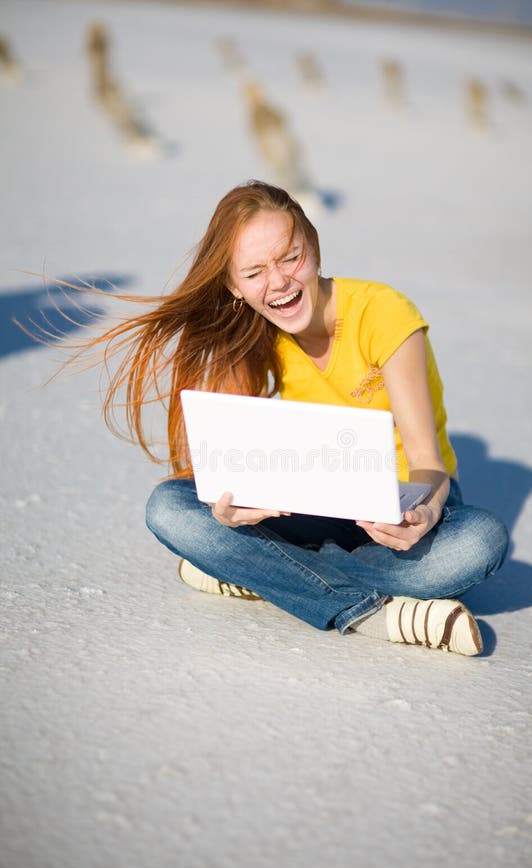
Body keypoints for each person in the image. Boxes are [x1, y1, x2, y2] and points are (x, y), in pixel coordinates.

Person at [76, 180, 509, 656]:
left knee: (479, 543)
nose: (278, 282)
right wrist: (230, 508)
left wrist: (424, 514)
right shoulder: (255, 334)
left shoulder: (383, 311)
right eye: (255, 271)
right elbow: (234, 461)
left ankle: (261, 575)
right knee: (169, 507)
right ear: (233, 286)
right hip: (318, 498)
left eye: (290, 258)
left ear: (314, 249)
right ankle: (370, 611)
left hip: (404, 506)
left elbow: (428, 460)